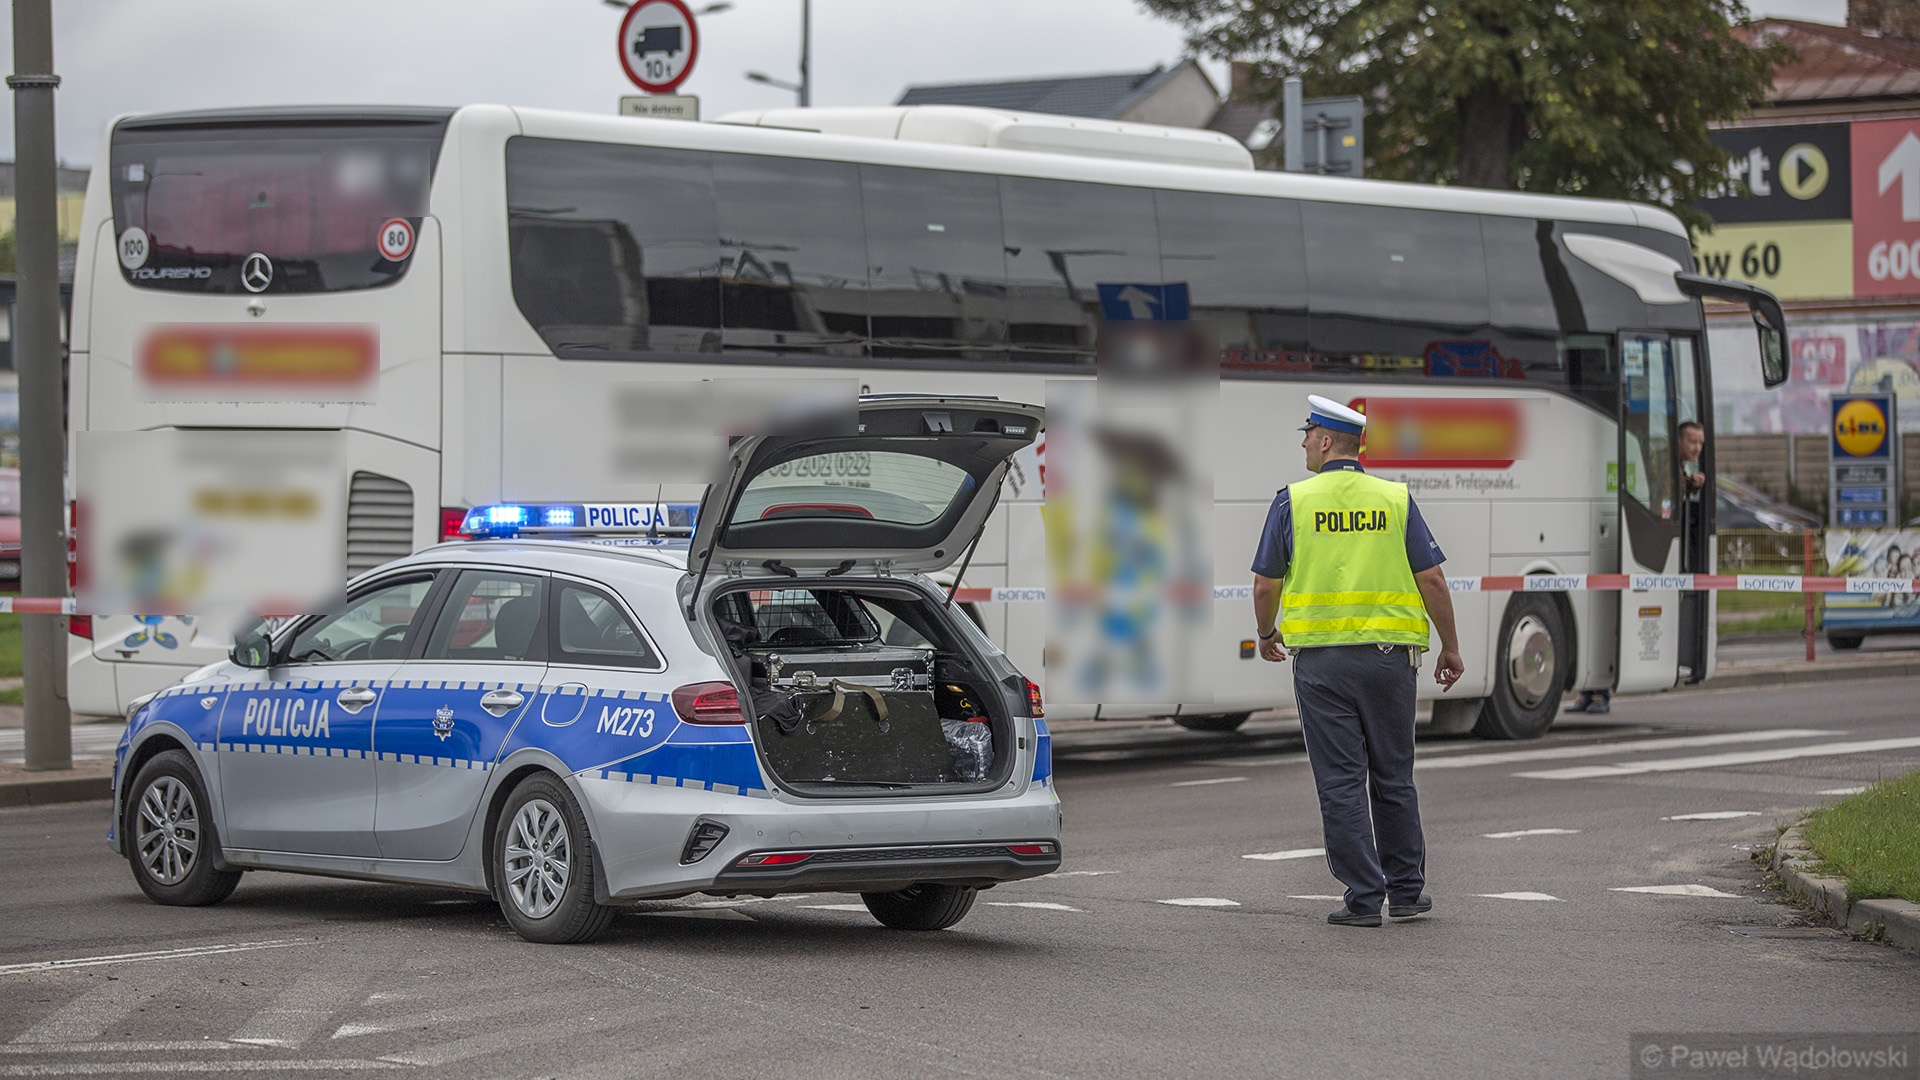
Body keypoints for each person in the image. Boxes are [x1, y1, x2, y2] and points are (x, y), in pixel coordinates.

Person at [1250, 395, 1465, 928]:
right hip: (1390, 663)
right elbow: (1431, 578)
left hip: (1323, 668)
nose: (1302, 442)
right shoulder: (1394, 499)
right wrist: (1451, 645)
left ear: (1326, 442)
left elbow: (1264, 583)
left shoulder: (1291, 502)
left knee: (1342, 780)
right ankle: (1408, 891)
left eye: (1307, 434)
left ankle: (1365, 897)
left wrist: (1265, 632)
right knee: (1394, 775)